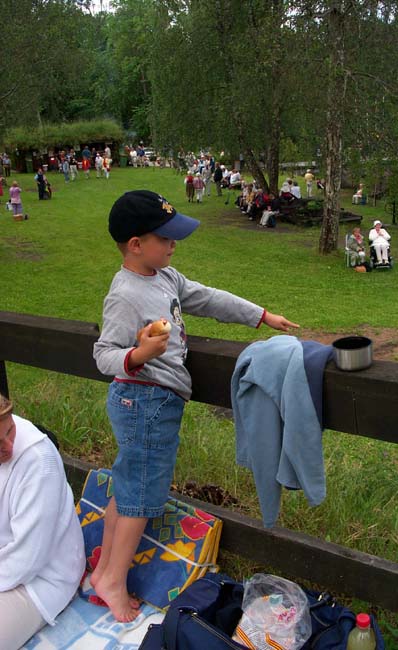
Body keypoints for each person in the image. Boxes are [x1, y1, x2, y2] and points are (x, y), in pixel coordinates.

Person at [92, 189, 299, 622]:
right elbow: (104, 354)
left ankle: (103, 570)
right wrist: (139, 354)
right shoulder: (125, 294)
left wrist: (260, 315)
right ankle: (112, 579)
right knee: (142, 496)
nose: (174, 245)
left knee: (129, 487)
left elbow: (207, 297)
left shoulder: (164, 276)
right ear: (136, 244)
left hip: (151, 403)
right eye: (165, 238)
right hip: (145, 401)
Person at [0, 394, 85, 649]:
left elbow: (27, 559)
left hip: (39, 579)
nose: (8, 446)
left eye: (10, 431)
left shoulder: (38, 459)